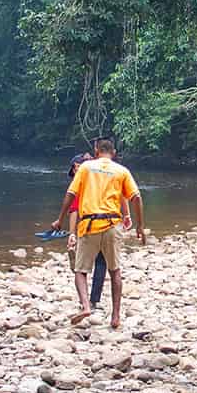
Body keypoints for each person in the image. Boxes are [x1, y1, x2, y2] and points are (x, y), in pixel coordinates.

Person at [67, 138, 145, 328]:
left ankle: (86, 306)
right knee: (115, 270)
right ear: (114, 152)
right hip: (112, 224)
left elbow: (71, 199)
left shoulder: (86, 169)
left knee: (80, 270)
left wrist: (62, 223)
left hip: (90, 224)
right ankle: (115, 316)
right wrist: (139, 226)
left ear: (96, 151)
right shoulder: (121, 171)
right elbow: (134, 197)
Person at [49, 152, 110, 310]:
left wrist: (72, 234)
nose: (76, 171)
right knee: (100, 263)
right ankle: (92, 300)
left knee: (82, 267)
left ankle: (87, 302)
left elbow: (74, 210)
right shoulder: (103, 177)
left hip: (89, 227)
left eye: (76, 168)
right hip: (106, 223)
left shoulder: (82, 183)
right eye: (75, 169)